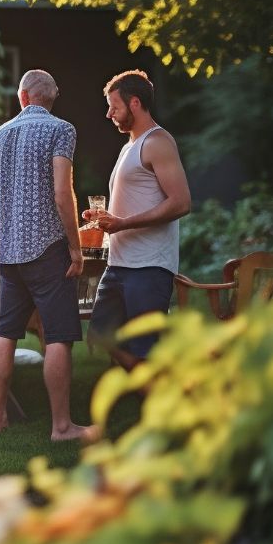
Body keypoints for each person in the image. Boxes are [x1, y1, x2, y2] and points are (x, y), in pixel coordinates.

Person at [0, 70, 90, 441]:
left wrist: (4, 239)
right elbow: (63, 194)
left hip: (8, 254)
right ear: (50, 98)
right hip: (48, 250)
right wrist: (75, 249)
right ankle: (61, 426)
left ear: (23, 96)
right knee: (58, 335)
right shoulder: (62, 130)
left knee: (5, 332)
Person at [82, 69, 191, 370]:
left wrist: (122, 223)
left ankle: (157, 401)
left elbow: (181, 203)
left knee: (145, 348)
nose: (108, 114)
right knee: (102, 336)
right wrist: (103, 219)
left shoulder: (158, 142)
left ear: (134, 103)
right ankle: (151, 390)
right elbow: (131, 204)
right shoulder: (129, 147)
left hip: (148, 266)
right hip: (119, 263)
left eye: (113, 106)